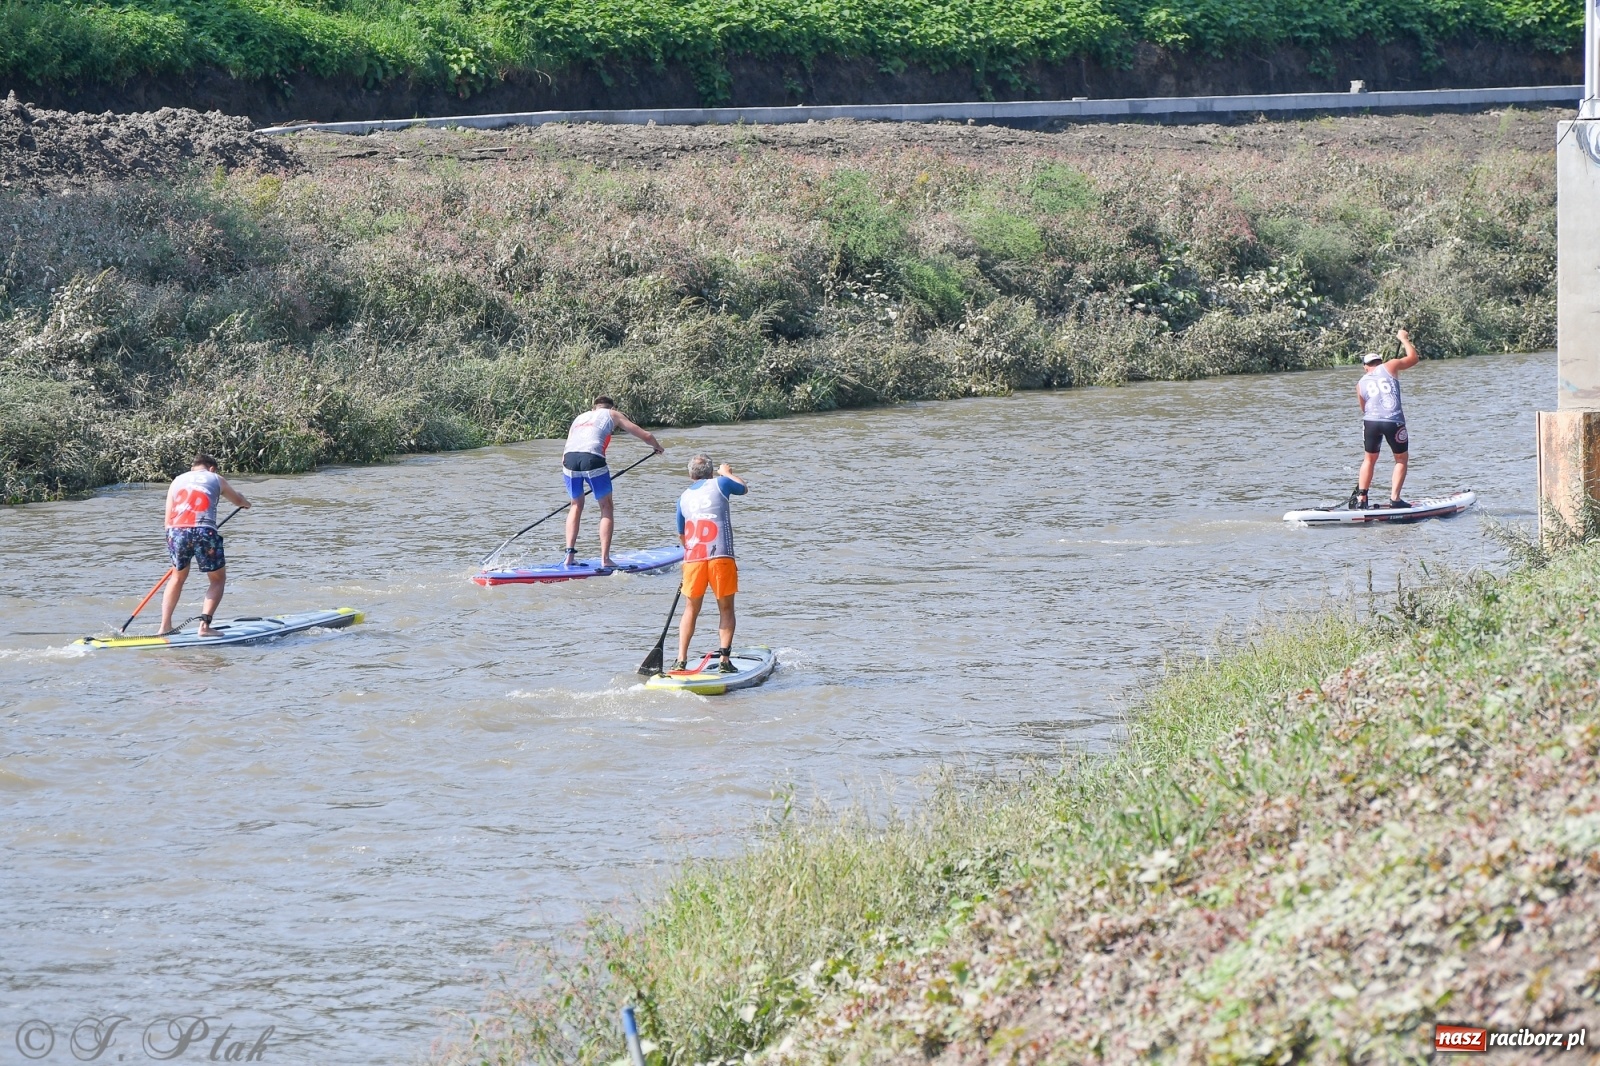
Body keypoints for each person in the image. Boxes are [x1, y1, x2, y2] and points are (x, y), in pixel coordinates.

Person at [561, 397, 663, 567]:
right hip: (592, 459)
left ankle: (569, 557)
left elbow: (565, 451)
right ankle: (605, 559)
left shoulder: (579, 417)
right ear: (611, 407)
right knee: (606, 506)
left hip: (569, 460)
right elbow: (646, 435)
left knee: (576, 505)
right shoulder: (612, 414)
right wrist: (657, 447)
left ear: (593, 408)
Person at [158, 455, 251, 637]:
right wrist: (246, 503)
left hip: (176, 532)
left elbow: (167, 520)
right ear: (212, 468)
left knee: (177, 578)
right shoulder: (216, 478)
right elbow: (238, 500)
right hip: (204, 531)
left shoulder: (176, 481)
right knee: (217, 579)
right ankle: (205, 627)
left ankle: (164, 626)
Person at [673, 455, 748, 673]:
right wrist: (726, 472)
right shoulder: (721, 483)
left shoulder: (683, 497)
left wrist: (688, 558)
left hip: (693, 558)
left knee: (690, 609)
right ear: (710, 472)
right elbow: (743, 488)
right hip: (721, 556)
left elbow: (681, 534)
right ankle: (724, 661)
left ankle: (681, 659)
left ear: (690, 475)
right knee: (726, 608)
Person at [1353, 328, 1421, 510]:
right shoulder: (1390, 365)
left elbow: (1364, 408)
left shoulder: (1360, 383)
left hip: (1371, 422)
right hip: (1394, 421)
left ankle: (1362, 498)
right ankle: (1395, 499)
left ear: (1366, 367)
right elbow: (1414, 358)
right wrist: (1404, 339)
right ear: (1380, 362)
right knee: (1400, 459)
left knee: (1369, 459)